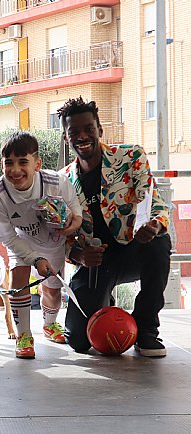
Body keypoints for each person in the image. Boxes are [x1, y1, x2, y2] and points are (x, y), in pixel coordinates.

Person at [58, 97, 172, 357]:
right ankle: (102, 300)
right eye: (74, 132)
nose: (82, 136)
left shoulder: (130, 157)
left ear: (99, 129)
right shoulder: (63, 181)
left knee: (159, 242)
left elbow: (155, 203)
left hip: (135, 248)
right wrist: (78, 255)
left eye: (88, 128)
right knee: (79, 340)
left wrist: (153, 225)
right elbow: (62, 236)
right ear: (66, 138)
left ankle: (145, 329)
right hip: (95, 262)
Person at [0, 131, 82, 359]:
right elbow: (8, 237)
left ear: (37, 163)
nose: (15, 170)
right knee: (19, 279)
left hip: (52, 240)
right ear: (2, 165)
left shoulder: (56, 182)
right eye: (8, 163)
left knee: (52, 289)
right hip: (21, 241)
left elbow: (76, 209)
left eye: (23, 162)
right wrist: (35, 259)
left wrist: (71, 225)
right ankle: (23, 335)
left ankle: (49, 324)